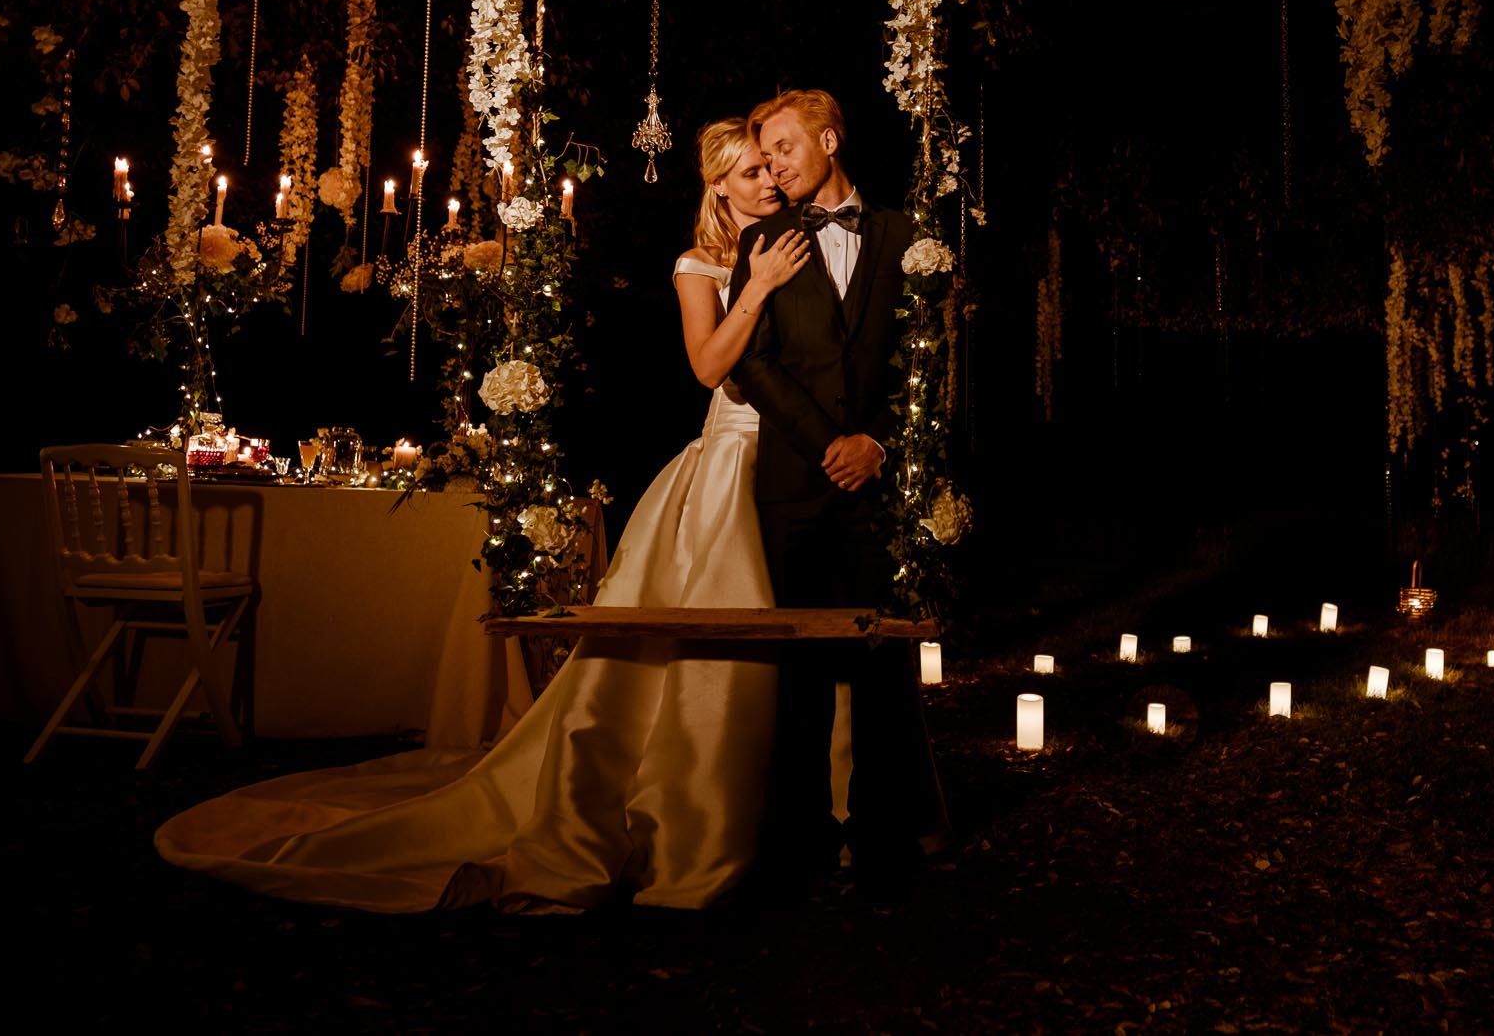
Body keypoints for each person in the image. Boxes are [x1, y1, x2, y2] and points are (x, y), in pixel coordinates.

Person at [154, 119, 811, 913]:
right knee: (699, 648)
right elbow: (708, 365)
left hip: (793, 461)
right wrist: (763, 284)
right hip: (726, 463)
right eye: (747, 174)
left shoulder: (794, 246)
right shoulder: (699, 263)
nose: (766, 182)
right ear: (717, 188)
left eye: (769, 169)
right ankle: (684, 813)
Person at [727, 88, 948, 891]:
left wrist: (878, 442)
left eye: (784, 146)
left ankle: (884, 837)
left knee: (886, 666)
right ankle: (800, 843)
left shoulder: (904, 237)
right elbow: (750, 362)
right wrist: (827, 443)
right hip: (797, 484)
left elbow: (926, 357)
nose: (774, 165)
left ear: (828, 137)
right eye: (766, 152)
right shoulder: (763, 238)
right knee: (802, 674)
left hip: (879, 489)